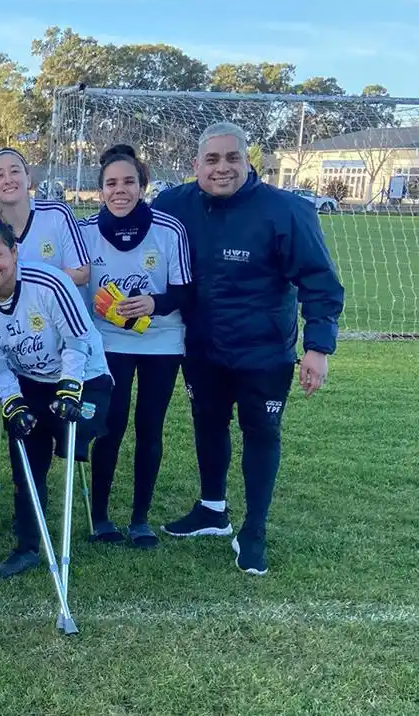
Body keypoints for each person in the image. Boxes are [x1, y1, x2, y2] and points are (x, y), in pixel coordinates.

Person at [153, 122, 344, 575]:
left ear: (248, 161)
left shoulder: (286, 211)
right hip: (201, 347)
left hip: (264, 352)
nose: (222, 168)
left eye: (232, 158)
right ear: (196, 165)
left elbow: (320, 281)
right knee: (208, 422)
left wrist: (317, 347)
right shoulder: (172, 204)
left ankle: (254, 529)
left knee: (261, 433)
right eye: (212, 160)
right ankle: (212, 509)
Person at [0, 218, 113, 580]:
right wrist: (12, 402)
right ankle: (27, 546)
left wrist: (69, 387)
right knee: (27, 459)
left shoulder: (50, 282)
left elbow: (77, 342)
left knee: (72, 445)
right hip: (30, 383)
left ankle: (71, 445)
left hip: (85, 377)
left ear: (14, 252)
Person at [80, 145, 192, 549]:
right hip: (109, 341)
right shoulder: (86, 231)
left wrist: (154, 302)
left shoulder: (168, 229)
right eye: (111, 183)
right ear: (101, 190)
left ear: (143, 185)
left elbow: (185, 291)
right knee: (110, 426)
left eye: (129, 181)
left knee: (149, 427)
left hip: (162, 342)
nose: (120, 190)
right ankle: (101, 517)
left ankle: (140, 518)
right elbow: (73, 284)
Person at [0, 148, 90, 284]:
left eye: (15, 171)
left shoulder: (58, 214)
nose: (8, 180)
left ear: (28, 179)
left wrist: (32, 288)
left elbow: (82, 273)